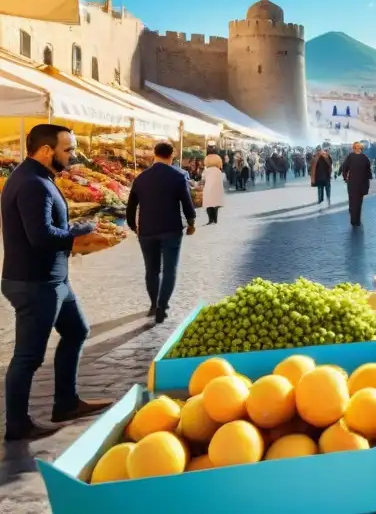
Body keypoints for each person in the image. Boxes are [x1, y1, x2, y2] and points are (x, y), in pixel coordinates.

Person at [1, 124, 111, 442]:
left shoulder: (39, 178)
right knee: (28, 356)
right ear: (47, 150)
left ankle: (65, 403)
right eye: (68, 149)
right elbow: (41, 236)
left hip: (53, 280)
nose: (73, 155)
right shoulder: (32, 182)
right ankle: (17, 425)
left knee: (77, 331)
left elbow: (50, 227)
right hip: (34, 283)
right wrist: (81, 238)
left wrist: (81, 229)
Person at [126, 142, 197, 324]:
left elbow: (131, 206)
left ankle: (152, 304)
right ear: (171, 155)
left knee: (151, 270)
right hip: (171, 229)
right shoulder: (177, 176)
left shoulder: (140, 178)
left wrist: (133, 225)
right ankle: (162, 307)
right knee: (169, 269)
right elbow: (187, 203)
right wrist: (191, 222)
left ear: (154, 154)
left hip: (146, 231)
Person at [342, 142, 373, 227]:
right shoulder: (365, 158)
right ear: (360, 148)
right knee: (359, 202)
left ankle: (353, 219)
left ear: (353, 148)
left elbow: (344, 167)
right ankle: (357, 220)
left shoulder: (350, 157)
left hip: (352, 183)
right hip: (362, 183)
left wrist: (345, 177)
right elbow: (368, 171)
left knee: (352, 201)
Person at [201, 153, 226, 224]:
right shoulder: (219, 171)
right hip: (218, 190)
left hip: (208, 190)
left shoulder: (206, 171)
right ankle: (215, 219)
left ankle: (210, 220)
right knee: (216, 206)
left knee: (208, 205)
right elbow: (223, 179)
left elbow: (203, 180)